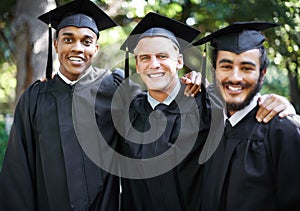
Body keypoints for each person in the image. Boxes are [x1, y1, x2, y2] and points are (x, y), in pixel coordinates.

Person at [108, 13, 296, 211]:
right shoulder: (127, 111)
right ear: (137, 64)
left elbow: (241, 104)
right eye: (145, 58)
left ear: (179, 61)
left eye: (163, 56)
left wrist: (282, 105)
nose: (154, 64)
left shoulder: (206, 106)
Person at [0, 0, 124, 210]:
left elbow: (156, 118)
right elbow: (18, 168)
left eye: (86, 41)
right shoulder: (36, 98)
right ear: (56, 44)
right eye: (68, 39)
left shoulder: (115, 91)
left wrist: (196, 89)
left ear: (96, 48)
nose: (77, 48)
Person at [193, 21, 300, 211]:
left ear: (262, 74)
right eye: (226, 66)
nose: (235, 77)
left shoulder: (284, 131)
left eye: (246, 68)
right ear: (214, 71)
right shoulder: (207, 124)